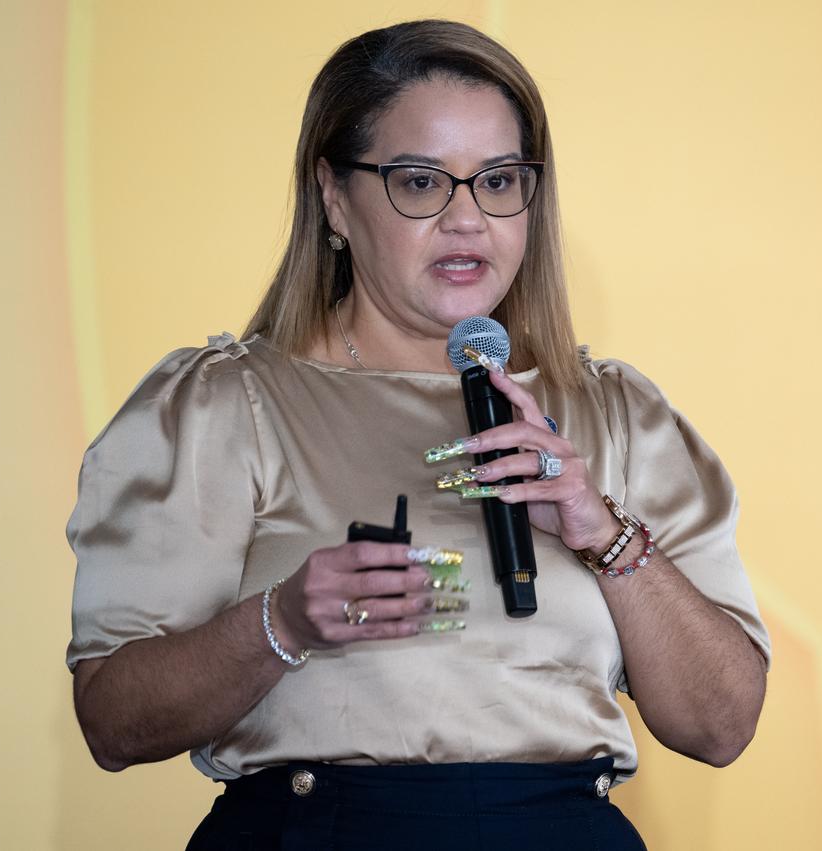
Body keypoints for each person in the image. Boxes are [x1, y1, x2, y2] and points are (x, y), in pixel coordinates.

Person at [67, 19, 769, 850]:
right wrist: (283, 621)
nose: (468, 220)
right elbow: (114, 722)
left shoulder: (616, 413)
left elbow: (720, 727)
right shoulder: (228, 404)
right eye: (420, 181)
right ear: (334, 196)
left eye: (499, 180)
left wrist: (601, 531)